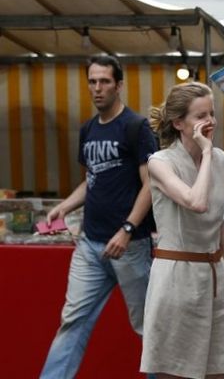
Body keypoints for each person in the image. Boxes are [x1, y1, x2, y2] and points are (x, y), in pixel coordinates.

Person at [40, 55, 156, 379]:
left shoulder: (136, 127)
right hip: (90, 245)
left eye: (104, 81)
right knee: (72, 320)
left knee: (149, 326)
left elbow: (151, 184)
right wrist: (65, 205)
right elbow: (93, 179)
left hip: (129, 246)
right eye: (92, 81)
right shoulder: (88, 129)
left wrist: (128, 229)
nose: (97, 88)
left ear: (119, 85)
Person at [141, 82, 224, 379]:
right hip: (176, 277)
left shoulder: (221, 160)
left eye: (211, 113)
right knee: (176, 371)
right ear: (178, 123)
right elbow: (196, 202)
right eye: (200, 116)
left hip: (215, 278)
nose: (209, 121)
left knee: (217, 372)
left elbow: (223, 227)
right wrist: (207, 153)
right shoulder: (160, 162)